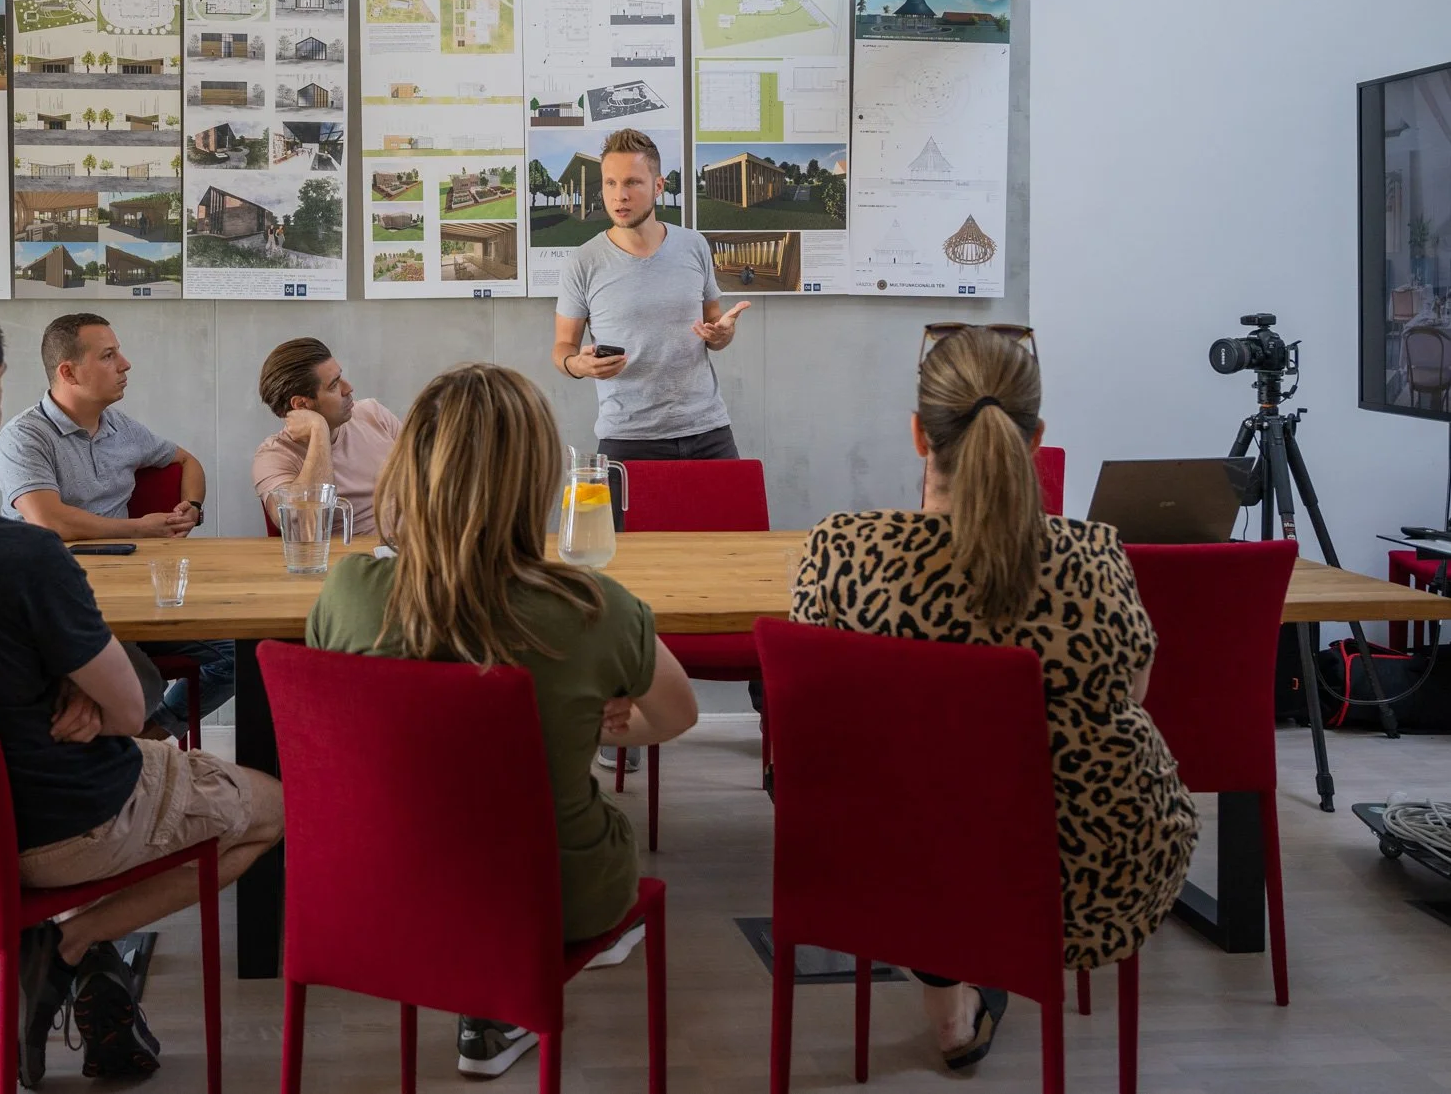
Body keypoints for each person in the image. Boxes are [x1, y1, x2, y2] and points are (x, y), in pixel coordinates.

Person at [0, 298, 283, 1089]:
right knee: (277, 806)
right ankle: (65, 944)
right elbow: (133, 712)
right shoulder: (25, 555)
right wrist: (91, 695)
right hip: (58, 823)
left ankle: (75, 955)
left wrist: (63, 682)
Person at [788, 326, 1198, 1073]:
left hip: (890, 870)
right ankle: (964, 982)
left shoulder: (840, 552)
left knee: (922, 810)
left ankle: (948, 986)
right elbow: (1133, 692)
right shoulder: (1095, 560)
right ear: (1036, 437)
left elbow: (816, 720)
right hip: (1085, 873)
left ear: (919, 435)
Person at [305, 362, 699, 1078]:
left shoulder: (350, 590)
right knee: (589, 828)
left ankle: (483, 986)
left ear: (411, 467)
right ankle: (510, 986)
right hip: (556, 892)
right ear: (539, 476)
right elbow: (675, 713)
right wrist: (600, 721)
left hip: (385, 884)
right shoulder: (596, 609)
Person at [553, 129, 751, 773]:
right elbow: (561, 352)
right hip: (626, 440)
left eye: (632, 181)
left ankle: (769, 704)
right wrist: (580, 366)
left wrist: (719, 335)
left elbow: (715, 326)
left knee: (733, 566)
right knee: (617, 587)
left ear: (659, 185)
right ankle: (622, 721)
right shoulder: (583, 261)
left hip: (706, 429)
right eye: (609, 183)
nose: (618, 193)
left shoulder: (693, 245)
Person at [0, 313, 233, 742]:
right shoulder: (24, 436)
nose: (125, 364)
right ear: (68, 372)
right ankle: (117, 754)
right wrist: (138, 529)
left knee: (240, 654)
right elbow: (47, 519)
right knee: (136, 684)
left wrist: (191, 506)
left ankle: (147, 741)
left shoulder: (121, 427)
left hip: (133, 595)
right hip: (60, 604)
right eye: (109, 356)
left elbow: (186, 461)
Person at [250, 337, 402, 529]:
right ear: (302, 405)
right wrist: (318, 430)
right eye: (334, 385)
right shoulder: (273, 457)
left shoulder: (374, 414)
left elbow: (432, 477)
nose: (348, 388)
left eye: (341, 377)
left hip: (418, 549)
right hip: (354, 556)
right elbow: (300, 524)